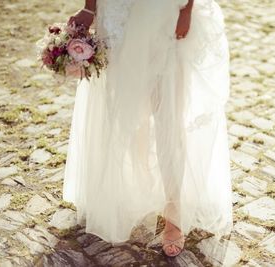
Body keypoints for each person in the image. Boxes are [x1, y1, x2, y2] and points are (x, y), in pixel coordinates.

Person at [63, 0, 233, 257]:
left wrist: (186, 9)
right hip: (117, 13)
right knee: (122, 110)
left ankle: (174, 212)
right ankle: (129, 189)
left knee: (169, 115)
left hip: (163, 12)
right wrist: (90, 7)